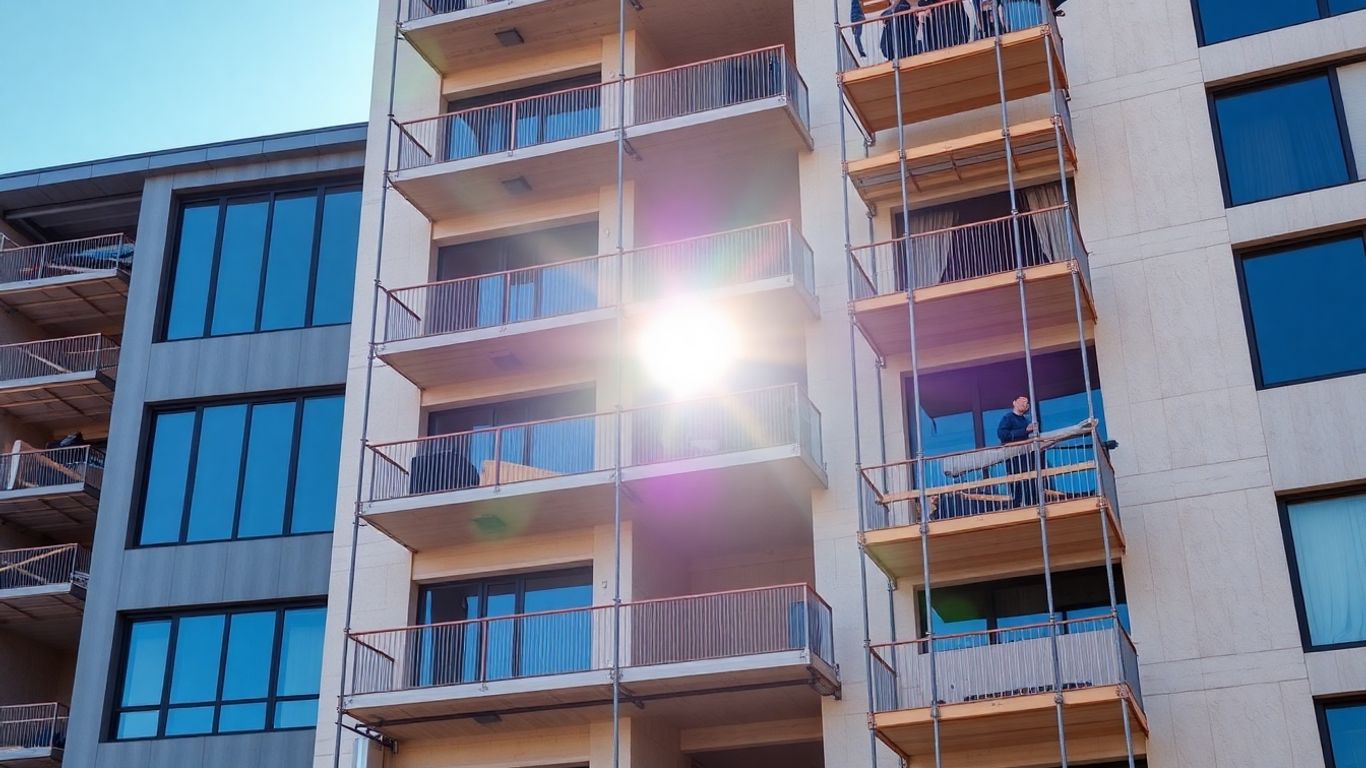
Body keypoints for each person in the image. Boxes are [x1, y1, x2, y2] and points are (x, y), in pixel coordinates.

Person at [997, 395, 1039, 508]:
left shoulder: (1026, 420)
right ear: (1014, 402)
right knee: (1016, 482)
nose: (1024, 403)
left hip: (1025, 456)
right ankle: (1017, 505)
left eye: (1026, 402)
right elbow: (1002, 435)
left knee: (1029, 481)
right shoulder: (1008, 418)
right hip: (1013, 457)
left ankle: (1032, 504)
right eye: (1021, 401)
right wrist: (1024, 431)